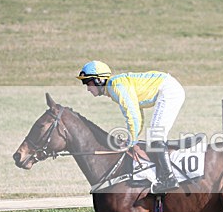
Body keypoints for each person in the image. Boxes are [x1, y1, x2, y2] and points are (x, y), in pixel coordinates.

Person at [77, 60, 185, 194]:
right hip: (169, 88)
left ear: (99, 80)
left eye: (88, 82)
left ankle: (169, 179)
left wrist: (131, 141)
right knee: (155, 135)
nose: (87, 88)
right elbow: (138, 115)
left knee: (155, 135)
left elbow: (132, 115)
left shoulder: (115, 86)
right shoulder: (114, 87)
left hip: (169, 89)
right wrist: (132, 138)